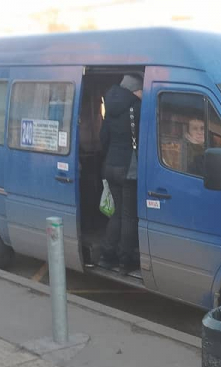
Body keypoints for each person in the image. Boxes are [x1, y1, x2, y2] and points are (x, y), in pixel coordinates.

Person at [98, 74, 143, 274]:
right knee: (129, 216)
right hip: (129, 168)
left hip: (110, 165)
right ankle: (125, 261)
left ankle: (107, 256)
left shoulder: (110, 107)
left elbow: (103, 137)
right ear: (134, 90)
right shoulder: (137, 107)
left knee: (115, 214)